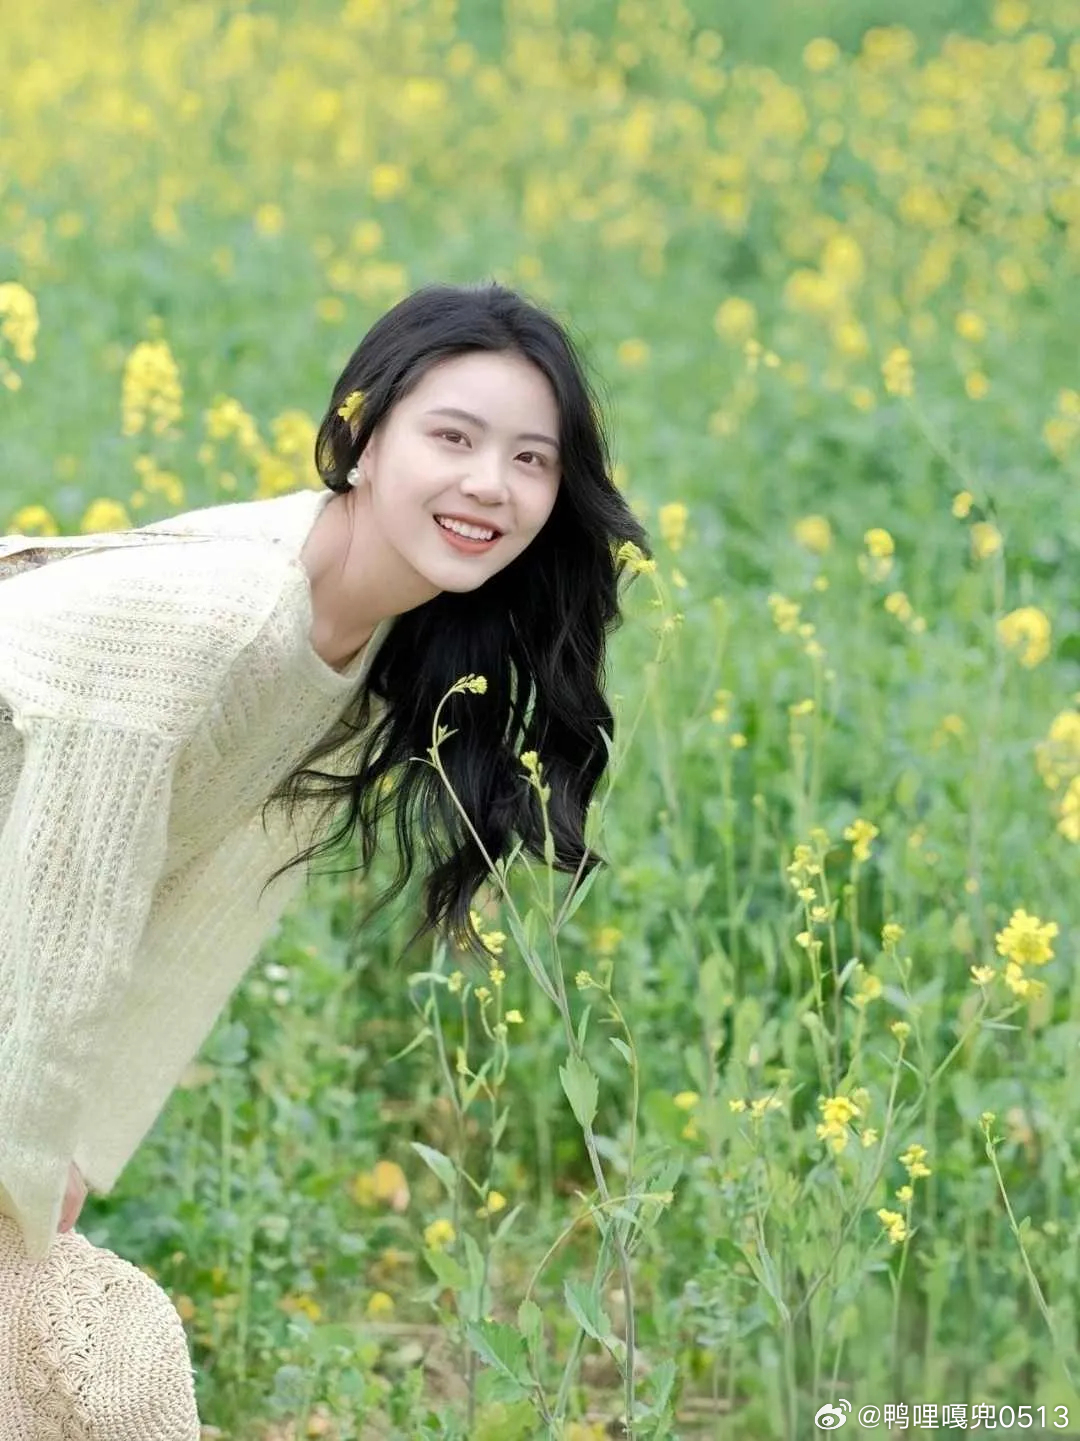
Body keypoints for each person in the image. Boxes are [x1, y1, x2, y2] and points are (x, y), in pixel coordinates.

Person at [0, 280, 650, 1283]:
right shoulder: (226, 614)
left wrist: (74, 1150)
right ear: (364, 436)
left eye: (532, 458)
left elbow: (219, 897)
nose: (491, 484)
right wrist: (24, 1163)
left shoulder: (370, 646)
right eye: (453, 437)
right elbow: (70, 903)